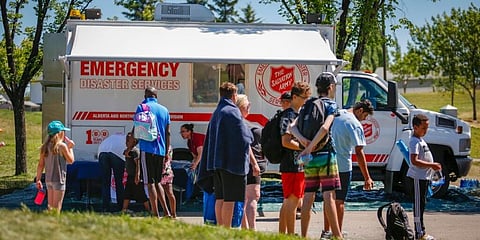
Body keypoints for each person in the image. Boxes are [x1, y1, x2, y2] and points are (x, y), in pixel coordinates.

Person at [197, 82, 260, 228]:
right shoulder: (232, 111)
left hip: (217, 163)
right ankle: (226, 230)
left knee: (220, 197)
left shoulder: (217, 111)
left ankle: (220, 228)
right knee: (230, 199)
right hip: (231, 164)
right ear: (234, 95)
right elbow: (245, 137)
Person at [290, 72, 342, 239]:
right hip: (326, 155)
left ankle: (304, 235)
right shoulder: (331, 105)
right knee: (329, 195)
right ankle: (337, 235)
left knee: (308, 196)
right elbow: (325, 128)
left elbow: (292, 127)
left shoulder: (308, 104)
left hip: (310, 159)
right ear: (331, 87)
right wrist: (311, 146)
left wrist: (304, 143)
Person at [322, 99, 375, 239]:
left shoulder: (337, 113)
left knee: (328, 199)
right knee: (339, 201)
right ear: (360, 111)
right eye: (364, 117)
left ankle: (326, 231)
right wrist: (367, 177)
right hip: (343, 166)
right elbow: (359, 152)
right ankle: (337, 233)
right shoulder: (354, 124)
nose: (364, 120)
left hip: (326, 163)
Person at [278, 82, 311, 235]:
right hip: (293, 165)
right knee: (293, 201)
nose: (306, 101)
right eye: (304, 98)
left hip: (294, 165)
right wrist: (304, 147)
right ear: (295, 97)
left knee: (287, 202)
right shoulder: (289, 115)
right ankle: (290, 235)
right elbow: (285, 141)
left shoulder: (295, 114)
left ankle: (282, 234)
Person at [134, 86, 171, 218]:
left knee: (150, 183)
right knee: (158, 182)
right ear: (156, 96)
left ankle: (155, 213)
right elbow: (167, 133)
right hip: (161, 150)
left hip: (147, 149)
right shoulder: (165, 110)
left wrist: (130, 148)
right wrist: (166, 152)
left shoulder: (141, 107)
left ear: (145, 96)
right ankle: (166, 212)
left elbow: (137, 131)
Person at [406, 114, 441, 240]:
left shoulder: (421, 140)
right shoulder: (414, 141)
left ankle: (421, 231)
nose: (425, 131)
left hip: (424, 178)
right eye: (423, 128)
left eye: (427, 128)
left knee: (422, 204)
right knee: (418, 206)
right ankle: (419, 233)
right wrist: (431, 164)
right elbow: (414, 161)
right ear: (415, 127)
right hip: (417, 178)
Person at [235, 94, 267, 230]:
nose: (249, 107)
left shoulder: (234, 124)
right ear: (242, 107)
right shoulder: (245, 126)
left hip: (236, 166)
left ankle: (244, 230)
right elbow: (247, 146)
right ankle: (252, 231)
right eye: (248, 105)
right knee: (253, 197)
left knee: (243, 199)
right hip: (249, 165)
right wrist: (255, 164)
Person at [35, 120, 75, 213]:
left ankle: (49, 224)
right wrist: (70, 147)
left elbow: (41, 165)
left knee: (51, 208)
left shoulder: (44, 146)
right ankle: (54, 226)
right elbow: (71, 160)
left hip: (48, 180)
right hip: (59, 180)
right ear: (60, 133)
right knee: (57, 209)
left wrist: (38, 179)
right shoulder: (62, 146)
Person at [122, 132, 150, 213]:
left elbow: (138, 164)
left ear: (134, 141)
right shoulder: (128, 150)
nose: (126, 141)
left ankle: (149, 210)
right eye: (126, 139)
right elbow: (125, 153)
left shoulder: (135, 151)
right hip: (130, 175)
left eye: (129, 140)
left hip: (135, 175)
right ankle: (124, 210)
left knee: (141, 193)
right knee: (127, 193)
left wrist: (137, 176)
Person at [98, 132, 126, 212]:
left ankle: (105, 207)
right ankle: (120, 207)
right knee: (119, 182)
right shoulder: (124, 138)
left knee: (105, 182)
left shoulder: (109, 139)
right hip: (117, 153)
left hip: (102, 152)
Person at [161, 145, 177, 218]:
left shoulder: (161, 145)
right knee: (170, 193)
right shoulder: (169, 147)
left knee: (160, 193)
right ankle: (173, 213)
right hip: (168, 170)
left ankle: (166, 212)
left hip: (161, 171)